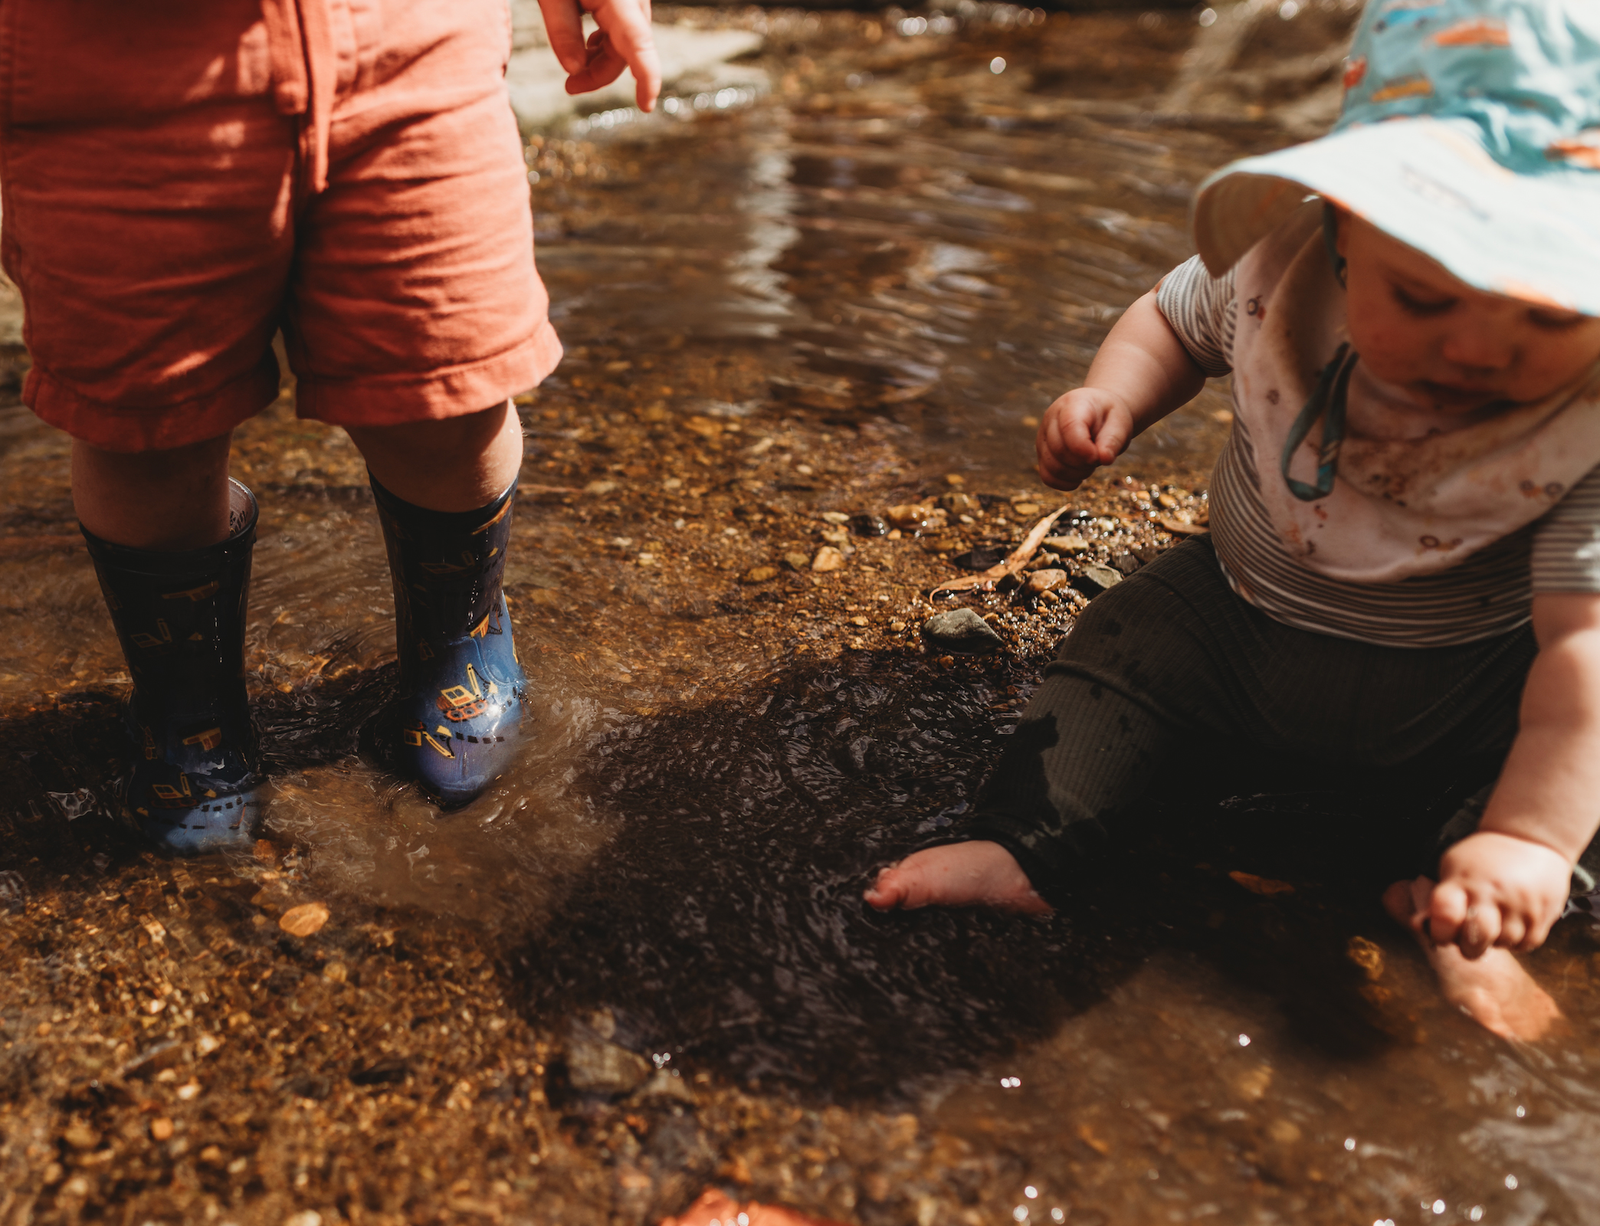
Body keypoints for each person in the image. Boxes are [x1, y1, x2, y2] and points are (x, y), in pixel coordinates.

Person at [866, 0, 1600, 1042]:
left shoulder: (1589, 418)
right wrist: (1113, 396)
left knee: (1582, 763)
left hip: (1466, 686)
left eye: (1550, 313)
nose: (1480, 350)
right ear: (1344, 228)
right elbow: (1169, 319)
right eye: (1428, 298)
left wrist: (1528, 836)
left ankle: (1466, 903)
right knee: (1125, 638)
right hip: (1239, 623)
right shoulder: (1279, 277)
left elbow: (1584, 648)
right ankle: (1025, 843)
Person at [4, 0, 660, 852]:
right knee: (145, 426)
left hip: (410, 42)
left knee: (446, 387)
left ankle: (459, 640)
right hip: (106, 73)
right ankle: (189, 717)